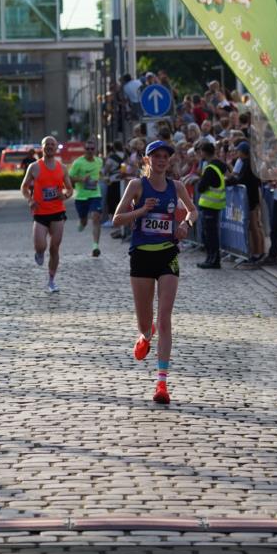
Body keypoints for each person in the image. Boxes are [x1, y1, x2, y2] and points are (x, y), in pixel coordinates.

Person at [112, 139, 198, 406]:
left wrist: (185, 225)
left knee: (164, 319)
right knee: (146, 323)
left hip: (167, 255)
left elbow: (193, 211)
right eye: (156, 156)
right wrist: (141, 210)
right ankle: (145, 335)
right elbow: (116, 219)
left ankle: (162, 383)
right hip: (141, 256)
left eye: (165, 156)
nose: (161, 160)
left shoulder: (176, 186)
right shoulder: (136, 186)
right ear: (147, 160)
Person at [20, 135, 73, 293]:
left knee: (54, 248)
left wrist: (65, 195)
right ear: (42, 148)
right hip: (40, 212)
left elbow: (70, 189)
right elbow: (24, 187)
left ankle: (51, 281)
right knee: (40, 246)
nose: (49, 147)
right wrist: (30, 200)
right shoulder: (34, 167)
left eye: (52, 144)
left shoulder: (62, 168)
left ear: (56, 148)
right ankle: (39, 252)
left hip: (58, 212)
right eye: (46, 144)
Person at [226, 140, 265, 264]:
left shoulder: (248, 164)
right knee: (252, 226)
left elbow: (241, 179)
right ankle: (254, 252)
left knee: (254, 225)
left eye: (238, 150)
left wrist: (227, 181)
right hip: (250, 197)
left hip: (252, 198)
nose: (237, 153)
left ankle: (259, 253)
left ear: (243, 152)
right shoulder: (246, 163)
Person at [69, 137, 104, 257]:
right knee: (84, 221)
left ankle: (95, 246)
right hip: (81, 197)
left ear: (95, 150)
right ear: (84, 150)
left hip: (95, 194)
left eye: (92, 149)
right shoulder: (78, 163)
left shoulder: (99, 161)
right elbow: (69, 178)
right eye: (87, 149)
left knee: (96, 217)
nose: (89, 151)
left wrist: (104, 178)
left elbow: (99, 173)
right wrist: (81, 179)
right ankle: (82, 223)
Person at [196, 141, 226, 269]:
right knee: (210, 234)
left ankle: (213, 260)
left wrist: (200, 182)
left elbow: (201, 187)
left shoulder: (210, 169)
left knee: (210, 235)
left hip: (210, 205)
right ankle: (211, 259)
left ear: (204, 152)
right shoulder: (218, 166)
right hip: (214, 205)